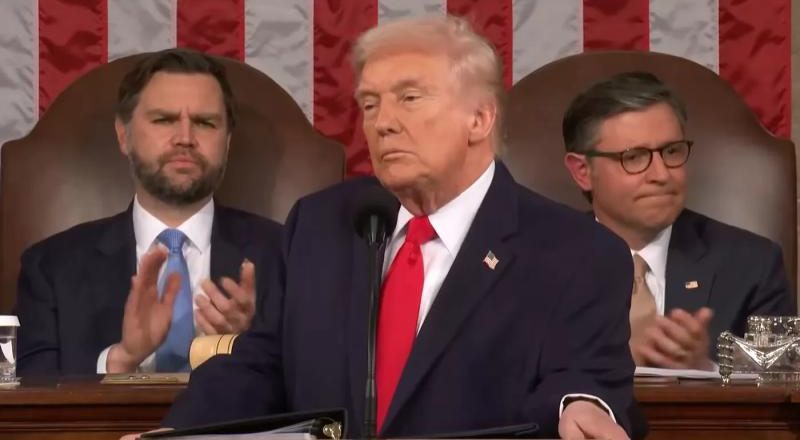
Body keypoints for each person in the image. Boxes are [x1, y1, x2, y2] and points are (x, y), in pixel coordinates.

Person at [149, 16, 635, 440]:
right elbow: (264, 363)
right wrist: (177, 434)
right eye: (369, 104)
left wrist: (581, 405)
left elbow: (585, 378)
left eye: (409, 98)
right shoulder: (318, 225)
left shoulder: (577, 253)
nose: (382, 123)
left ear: (480, 118)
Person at [16, 48, 282, 376]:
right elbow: (31, 394)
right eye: (164, 120)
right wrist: (121, 360)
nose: (185, 138)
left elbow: (318, 385)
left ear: (227, 142)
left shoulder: (286, 256)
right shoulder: (51, 268)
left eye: (205, 122)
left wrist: (253, 346)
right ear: (123, 135)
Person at [562, 71, 796, 371]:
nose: (662, 174)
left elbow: (782, 383)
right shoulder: (535, 263)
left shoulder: (752, 264)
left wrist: (707, 371)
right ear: (582, 171)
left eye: (671, 152)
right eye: (634, 157)